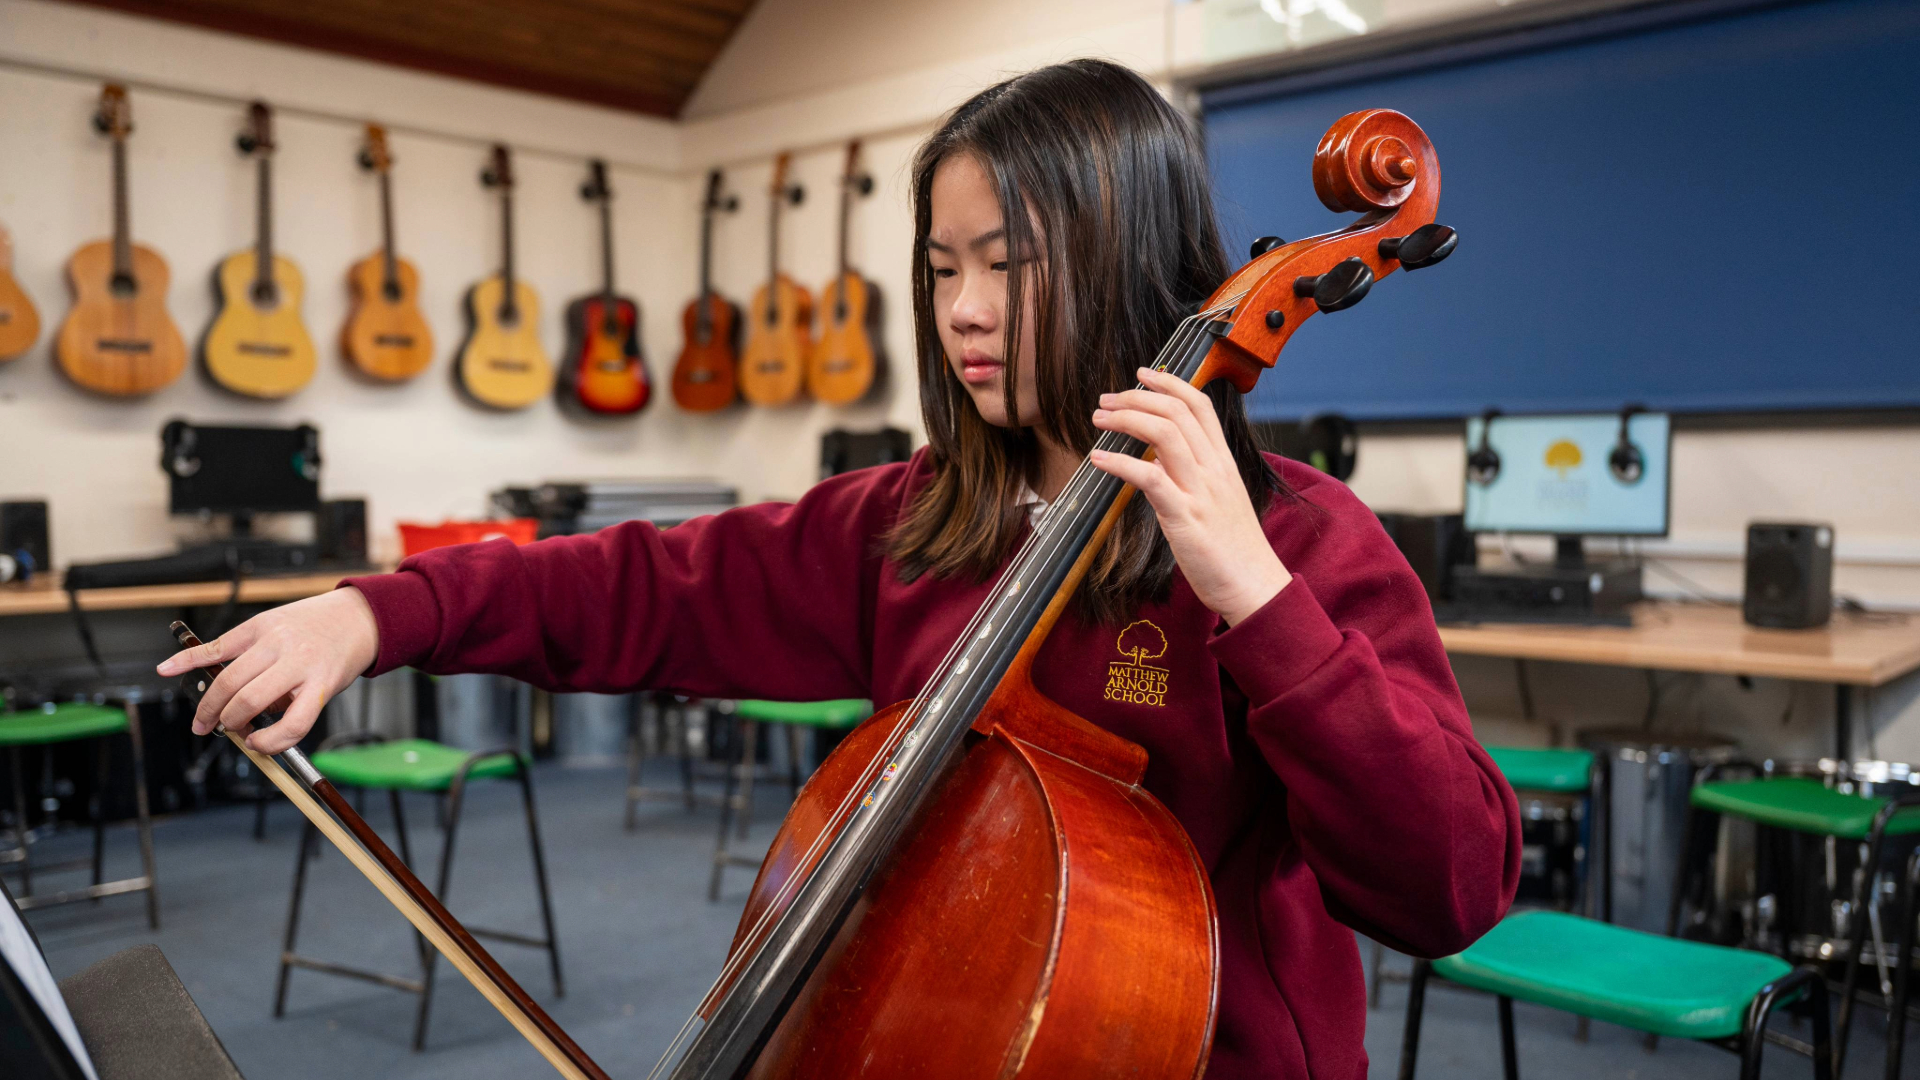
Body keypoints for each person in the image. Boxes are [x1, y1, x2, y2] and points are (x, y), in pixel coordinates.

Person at [160, 59, 1517, 1080]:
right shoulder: (917, 522)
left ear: (1133, 262)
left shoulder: (1302, 543)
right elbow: (636, 584)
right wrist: (371, 613)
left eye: (1011, 263)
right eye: (941, 270)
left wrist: (1258, 606)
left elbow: (1447, 888)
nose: (966, 310)